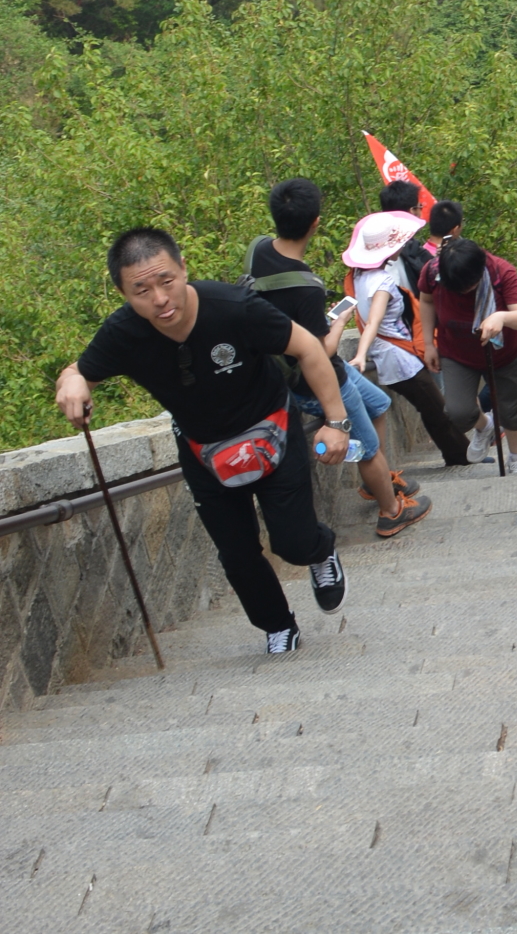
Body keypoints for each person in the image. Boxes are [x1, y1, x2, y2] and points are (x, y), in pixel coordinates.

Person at [55, 227, 353, 657]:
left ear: (183, 269)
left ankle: (319, 551)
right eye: (141, 290)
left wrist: (337, 422)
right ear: (123, 293)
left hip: (272, 429)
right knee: (237, 554)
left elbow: (307, 347)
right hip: (204, 451)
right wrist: (73, 383)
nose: (159, 298)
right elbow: (78, 370)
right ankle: (277, 624)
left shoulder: (234, 308)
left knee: (293, 542)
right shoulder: (123, 333)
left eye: (166, 281)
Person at [248, 179, 429, 544]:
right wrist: (341, 322)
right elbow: (320, 352)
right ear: (315, 223)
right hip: (316, 380)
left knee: (379, 403)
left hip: (299, 368)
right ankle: (391, 512)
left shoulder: (258, 250)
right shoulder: (305, 286)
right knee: (366, 445)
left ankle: (375, 481)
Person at [343, 208, 470, 471]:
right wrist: (359, 355)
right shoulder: (382, 282)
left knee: (433, 408)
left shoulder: (358, 276)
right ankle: (462, 456)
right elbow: (375, 322)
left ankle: (459, 454)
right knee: (438, 409)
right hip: (399, 359)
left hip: (392, 356)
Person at [429, 234, 517, 474]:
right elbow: (426, 301)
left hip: (504, 352)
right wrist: (428, 343)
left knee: (512, 411)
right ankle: (485, 426)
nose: (465, 291)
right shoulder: (432, 272)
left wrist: (501, 316)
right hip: (456, 351)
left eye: (470, 286)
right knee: (458, 412)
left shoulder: (501, 272)